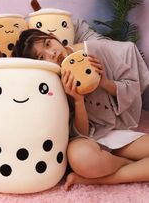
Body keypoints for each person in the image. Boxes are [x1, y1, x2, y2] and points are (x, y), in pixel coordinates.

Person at [12, 28, 149, 190]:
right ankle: (128, 164)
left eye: (48, 44)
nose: (52, 53)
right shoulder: (50, 81)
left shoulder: (95, 50)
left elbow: (132, 87)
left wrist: (104, 82)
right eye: (42, 57)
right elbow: (80, 134)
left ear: (54, 37)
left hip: (116, 131)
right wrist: (77, 100)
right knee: (83, 159)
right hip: (86, 140)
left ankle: (98, 179)